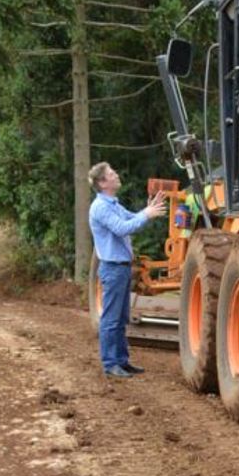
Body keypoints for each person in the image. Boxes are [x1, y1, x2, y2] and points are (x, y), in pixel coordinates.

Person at [88, 162, 167, 378]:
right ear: (103, 183)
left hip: (121, 269)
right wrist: (148, 214)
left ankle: (122, 361)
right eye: (112, 174)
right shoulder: (101, 208)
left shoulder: (112, 204)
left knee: (121, 318)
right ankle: (110, 364)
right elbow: (123, 228)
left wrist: (148, 209)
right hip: (112, 269)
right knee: (111, 319)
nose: (116, 175)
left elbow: (132, 218)